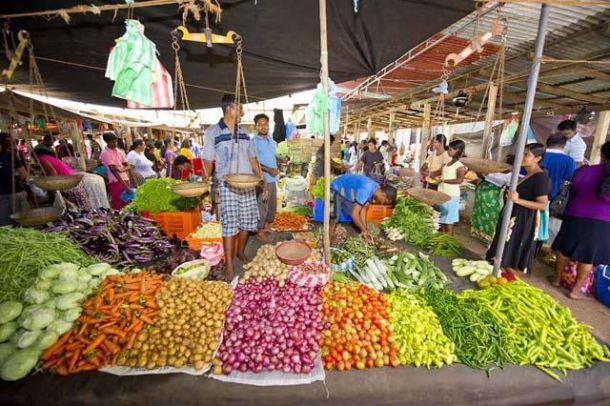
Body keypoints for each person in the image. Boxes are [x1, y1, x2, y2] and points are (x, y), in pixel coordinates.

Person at [202, 94, 263, 280]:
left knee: (247, 222)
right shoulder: (213, 132)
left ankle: (240, 252)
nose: (243, 112)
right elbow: (207, 159)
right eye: (240, 108)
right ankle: (229, 263)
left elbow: (253, 157)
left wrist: (261, 177)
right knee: (229, 224)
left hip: (247, 184)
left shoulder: (245, 133)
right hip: (226, 184)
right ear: (230, 108)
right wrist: (206, 182)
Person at [551, 141, 610, 299]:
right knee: (588, 256)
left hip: (574, 214)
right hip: (602, 222)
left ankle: (556, 280)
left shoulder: (585, 170)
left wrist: (566, 185)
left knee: (565, 248)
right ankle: (575, 291)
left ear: (603, 155)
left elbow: (569, 182)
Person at [486, 143, 551, 275]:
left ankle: (510, 280)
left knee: (511, 252)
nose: (521, 157)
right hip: (512, 216)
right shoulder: (527, 174)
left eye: (526, 154)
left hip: (521, 220)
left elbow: (542, 205)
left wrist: (517, 200)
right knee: (502, 248)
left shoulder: (540, 177)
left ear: (537, 158)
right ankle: (499, 276)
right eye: (521, 153)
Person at [329, 174, 397, 242]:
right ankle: (328, 243)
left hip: (347, 193)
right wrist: (363, 229)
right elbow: (354, 214)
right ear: (383, 195)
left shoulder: (376, 188)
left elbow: (363, 209)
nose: (382, 203)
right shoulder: (366, 189)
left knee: (356, 218)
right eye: (384, 202)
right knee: (334, 219)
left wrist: (365, 229)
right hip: (336, 188)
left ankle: (363, 236)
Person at [470, 155, 515, 243]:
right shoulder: (496, 169)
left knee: (490, 215)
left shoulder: (511, 175)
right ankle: (478, 234)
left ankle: (489, 238)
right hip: (481, 191)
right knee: (478, 213)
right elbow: (483, 176)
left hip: (492, 195)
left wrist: (506, 204)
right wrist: (477, 170)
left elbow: (507, 188)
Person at [542, 134, 576, 246]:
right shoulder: (569, 161)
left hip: (531, 194)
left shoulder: (538, 155)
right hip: (554, 196)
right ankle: (541, 245)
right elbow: (569, 179)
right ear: (563, 145)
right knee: (544, 224)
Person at [253, 113, 278, 242]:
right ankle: (260, 230)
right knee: (262, 205)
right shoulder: (254, 142)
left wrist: (280, 162)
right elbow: (253, 161)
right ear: (256, 126)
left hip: (274, 179)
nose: (263, 127)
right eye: (260, 124)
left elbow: (273, 158)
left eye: (265, 124)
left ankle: (268, 226)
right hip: (262, 180)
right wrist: (269, 170)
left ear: (269, 125)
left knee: (272, 205)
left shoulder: (272, 141)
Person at [435, 140, 467, 234]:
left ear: (457, 150)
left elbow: (459, 180)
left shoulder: (460, 165)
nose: (448, 152)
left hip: (451, 196)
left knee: (448, 222)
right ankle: (442, 241)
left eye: (450, 150)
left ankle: (448, 244)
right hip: (442, 194)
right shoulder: (449, 162)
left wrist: (443, 180)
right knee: (442, 221)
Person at [100, 132, 135, 209]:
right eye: (112, 142)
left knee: (128, 203)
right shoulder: (105, 153)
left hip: (125, 179)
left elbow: (128, 165)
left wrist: (121, 169)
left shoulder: (119, 151)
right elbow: (114, 171)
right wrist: (125, 186)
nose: (115, 144)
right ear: (107, 142)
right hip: (115, 181)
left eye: (115, 141)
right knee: (118, 203)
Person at [0, 133, 29, 225]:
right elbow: (23, 174)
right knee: (21, 223)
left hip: (12, 194)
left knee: (6, 225)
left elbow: (23, 175)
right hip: (12, 194)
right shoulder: (11, 156)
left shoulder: (11, 156)